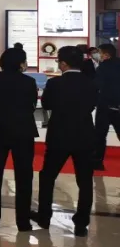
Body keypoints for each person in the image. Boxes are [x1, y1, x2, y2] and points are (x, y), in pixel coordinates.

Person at [33, 46, 99, 236]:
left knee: (48, 176)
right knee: (85, 181)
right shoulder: (91, 83)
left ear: (63, 64)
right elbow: (92, 105)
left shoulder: (55, 83)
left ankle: (44, 216)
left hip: (59, 135)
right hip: (84, 135)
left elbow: (46, 104)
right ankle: (81, 223)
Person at [0, 48, 38, 231]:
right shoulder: (29, 82)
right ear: (21, 63)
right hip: (23, 130)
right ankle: (23, 221)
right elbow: (32, 105)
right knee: (24, 176)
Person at [94, 42, 120, 171]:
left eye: (99, 53)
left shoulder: (102, 67)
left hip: (104, 105)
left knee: (100, 135)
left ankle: (98, 162)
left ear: (106, 55)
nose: (98, 55)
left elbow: (97, 85)